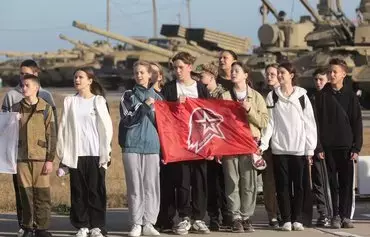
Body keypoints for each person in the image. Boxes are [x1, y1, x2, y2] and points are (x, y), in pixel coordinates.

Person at [1, 59, 57, 237]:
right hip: (21, 157)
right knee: (25, 195)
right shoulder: (16, 108)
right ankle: (27, 227)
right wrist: (11, 122)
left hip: (40, 158)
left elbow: (52, 135)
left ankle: (42, 227)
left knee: (42, 195)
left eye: (27, 85)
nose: (23, 88)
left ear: (35, 87)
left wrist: (50, 159)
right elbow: (5, 132)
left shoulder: (46, 107)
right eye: (22, 85)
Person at [259, 62, 317, 231]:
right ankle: (286, 219)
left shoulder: (302, 96)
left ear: (291, 75)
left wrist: (310, 148)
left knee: (298, 186)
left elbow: (309, 123)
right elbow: (270, 123)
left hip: (298, 149)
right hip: (279, 149)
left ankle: (297, 218)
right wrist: (263, 144)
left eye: (282, 72)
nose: (279, 75)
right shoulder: (272, 96)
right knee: (282, 186)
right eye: (278, 73)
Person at [56, 68, 113, 237]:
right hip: (77, 154)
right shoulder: (70, 102)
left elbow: (107, 128)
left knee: (96, 190)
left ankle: (97, 225)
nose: (77, 80)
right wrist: (63, 154)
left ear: (90, 80)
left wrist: (106, 152)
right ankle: (82, 225)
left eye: (81, 77)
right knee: (78, 191)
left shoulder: (99, 101)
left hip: (95, 153)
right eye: (75, 77)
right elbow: (63, 128)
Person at [161, 52, 210, 235]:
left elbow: (210, 113)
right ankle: (184, 217)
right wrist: (175, 104)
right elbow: (163, 114)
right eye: (175, 68)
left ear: (190, 67)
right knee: (182, 180)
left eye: (181, 67)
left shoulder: (201, 88)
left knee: (199, 180)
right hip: (179, 143)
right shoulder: (170, 88)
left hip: (199, 142)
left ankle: (198, 217)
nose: (178, 71)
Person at [315, 58, 363, 229]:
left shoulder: (350, 96)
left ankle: (345, 216)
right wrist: (319, 146)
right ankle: (334, 214)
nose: (331, 74)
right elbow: (316, 124)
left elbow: (357, 123)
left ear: (344, 74)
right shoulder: (321, 97)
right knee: (331, 185)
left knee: (346, 184)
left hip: (347, 148)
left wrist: (356, 147)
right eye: (330, 72)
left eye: (335, 72)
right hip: (327, 148)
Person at [222, 62, 268, 233]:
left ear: (245, 75)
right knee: (232, 181)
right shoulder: (225, 96)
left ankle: (246, 216)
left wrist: (249, 110)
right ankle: (235, 217)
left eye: (237, 71)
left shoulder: (256, 97)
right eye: (232, 71)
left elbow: (264, 122)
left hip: (249, 144)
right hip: (230, 144)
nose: (233, 73)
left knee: (249, 183)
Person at [119, 61, 163, 237]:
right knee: (135, 186)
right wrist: (145, 105)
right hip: (132, 146)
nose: (139, 75)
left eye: (142, 72)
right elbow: (127, 119)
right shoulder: (127, 95)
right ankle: (136, 223)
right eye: (136, 72)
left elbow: (165, 125)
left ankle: (149, 222)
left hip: (152, 146)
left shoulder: (159, 98)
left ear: (150, 75)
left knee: (151, 186)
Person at [194, 62, 230, 230]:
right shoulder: (201, 95)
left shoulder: (223, 95)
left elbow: (227, 122)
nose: (199, 79)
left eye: (202, 76)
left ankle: (227, 215)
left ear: (211, 76)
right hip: (205, 145)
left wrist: (220, 148)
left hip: (220, 145)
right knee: (210, 182)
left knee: (222, 182)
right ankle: (214, 216)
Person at [310, 68, 332, 227]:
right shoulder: (312, 99)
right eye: (316, 79)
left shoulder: (333, 99)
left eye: (321, 79)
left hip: (333, 147)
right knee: (319, 182)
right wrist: (317, 147)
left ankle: (334, 213)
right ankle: (323, 213)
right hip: (318, 147)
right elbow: (312, 126)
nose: (318, 83)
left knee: (332, 182)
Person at [261, 63, 280, 228]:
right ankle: (272, 214)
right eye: (267, 74)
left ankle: (285, 212)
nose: (269, 77)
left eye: (272, 74)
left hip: (285, 145)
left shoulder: (291, 94)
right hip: (268, 146)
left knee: (285, 181)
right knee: (269, 182)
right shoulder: (265, 96)